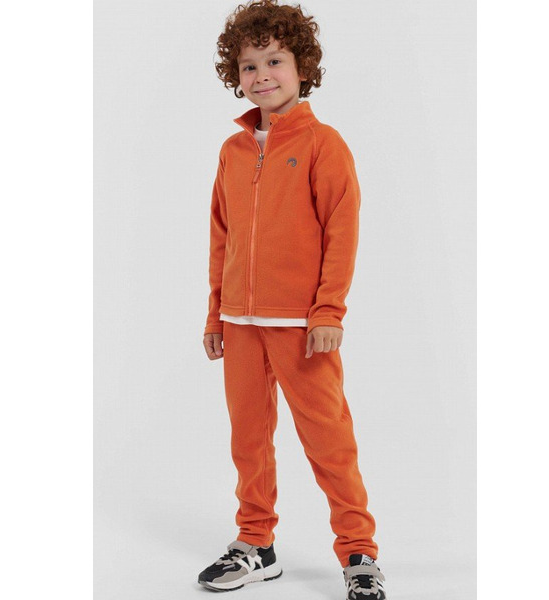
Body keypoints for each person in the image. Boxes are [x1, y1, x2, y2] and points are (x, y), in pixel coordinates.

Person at [198, 1, 386, 598]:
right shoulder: (231, 151)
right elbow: (221, 235)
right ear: (236, 77)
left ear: (303, 67)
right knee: (248, 441)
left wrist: (328, 310)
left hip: (303, 326)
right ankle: (256, 543)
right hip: (240, 324)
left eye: (275, 61)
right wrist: (215, 314)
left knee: (328, 440)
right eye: (249, 66)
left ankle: (358, 551)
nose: (262, 76)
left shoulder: (324, 144)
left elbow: (341, 231)